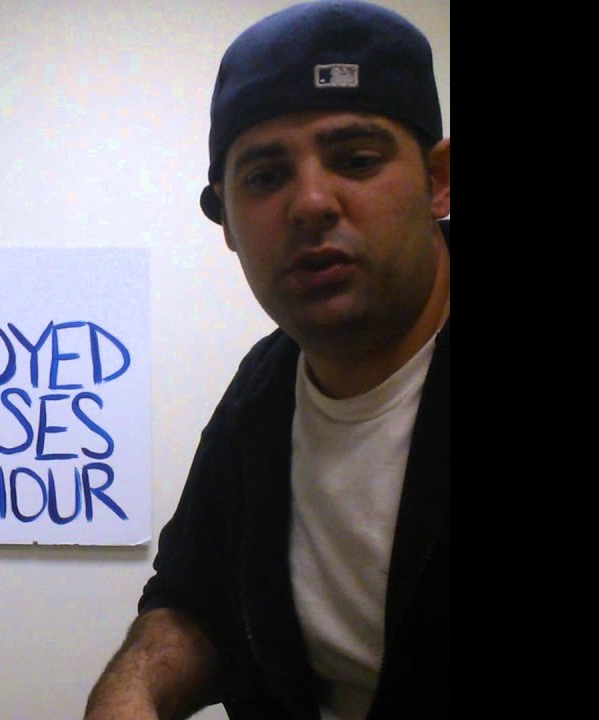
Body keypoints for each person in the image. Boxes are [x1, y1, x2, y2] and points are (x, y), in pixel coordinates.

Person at [84, 2, 449, 718]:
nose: (310, 203)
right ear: (225, 219)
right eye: (264, 176)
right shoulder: (264, 390)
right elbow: (194, 604)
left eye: (357, 160)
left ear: (439, 181)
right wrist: (133, 693)